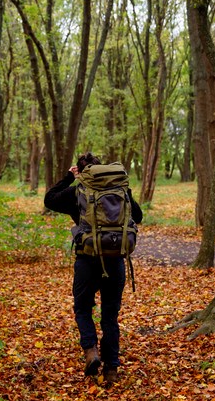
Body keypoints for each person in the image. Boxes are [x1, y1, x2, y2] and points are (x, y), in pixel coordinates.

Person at [44, 153, 143, 383]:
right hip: (115, 260)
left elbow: (49, 200)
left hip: (87, 260)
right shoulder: (120, 190)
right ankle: (112, 369)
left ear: (81, 172)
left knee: (82, 308)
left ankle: (91, 351)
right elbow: (138, 216)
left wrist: (69, 177)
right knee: (110, 315)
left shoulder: (77, 191)